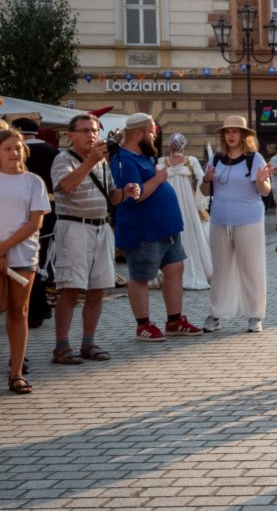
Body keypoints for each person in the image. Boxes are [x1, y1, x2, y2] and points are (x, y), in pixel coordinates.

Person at [48, 115, 135, 365]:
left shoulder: (101, 163)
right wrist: (90, 161)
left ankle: (88, 342)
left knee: (97, 289)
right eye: (85, 131)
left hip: (101, 227)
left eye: (94, 131)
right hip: (74, 228)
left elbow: (111, 197)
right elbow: (65, 186)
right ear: (71, 135)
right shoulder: (62, 159)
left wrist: (126, 193)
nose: (91, 135)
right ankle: (61, 347)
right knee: (70, 289)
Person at [110, 113, 203, 341]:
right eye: (152, 132)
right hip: (143, 230)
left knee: (175, 270)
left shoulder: (145, 158)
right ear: (139, 134)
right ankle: (143, 324)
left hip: (166, 228)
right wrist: (160, 178)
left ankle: (174, 320)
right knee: (141, 276)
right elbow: (134, 196)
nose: (155, 137)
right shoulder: (124, 160)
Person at [199, 115, 273, 334]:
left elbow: (265, 190)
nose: (230, 135)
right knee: (220, 269)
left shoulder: (254, 158)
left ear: (243, 135)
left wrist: (261, 181)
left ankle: (254, 315)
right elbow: (204, 192)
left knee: (251, 268)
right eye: (227, 132)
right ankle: (216, 313)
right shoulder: (216, 159)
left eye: (235, 131)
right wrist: (206, 180)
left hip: (248, 219)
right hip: (220, 219)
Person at [0, 129, 50, 394]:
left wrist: (3, 249)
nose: (13, 153)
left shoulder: (33, 182)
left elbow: (35, 221)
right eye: (7, 148)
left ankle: (16, 372)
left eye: (17, 148)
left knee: (18, 312)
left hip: (22, 255)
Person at [10, 117, 57, 329]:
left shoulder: (12, 154)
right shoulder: (53, 151)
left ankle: (33, 308)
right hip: (51, 212)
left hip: (20, 215)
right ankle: (38, 307)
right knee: (40, 261)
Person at [156, 133, 212, 291]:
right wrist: (201, 202)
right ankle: (191, 268)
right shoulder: (191, 160)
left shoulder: (161, 162)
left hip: (168, 201)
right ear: (184, 145)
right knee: (191, 232)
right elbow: (201, 179)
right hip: (188, 203)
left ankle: (169, 270)